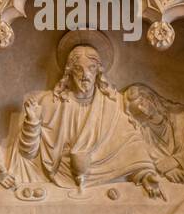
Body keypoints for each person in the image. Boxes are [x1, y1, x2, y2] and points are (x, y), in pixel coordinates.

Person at [15, 38, 163, 196]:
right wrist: (32, 123)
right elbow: (28, 153)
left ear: (99, 71)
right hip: (60, 182)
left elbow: (131, 145)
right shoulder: (51, 104)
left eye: (91, 68)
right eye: (79, 69)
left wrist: (145, 174)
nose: (85, 75)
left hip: (104, 182)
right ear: (69, 71)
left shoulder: (113, 105)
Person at [121, 83, 184, 182]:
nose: (143, 110)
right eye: (137, 112)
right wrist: (164, 170)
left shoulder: (183, 114)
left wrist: (175, 161)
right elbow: (144, 161)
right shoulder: (146, 137)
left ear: (151, 98)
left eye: (142, 103)